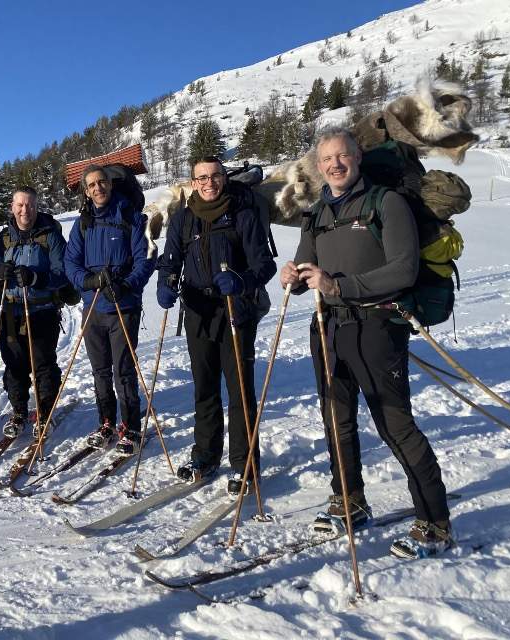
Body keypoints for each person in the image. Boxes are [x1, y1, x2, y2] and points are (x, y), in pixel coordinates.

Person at [279, 127, 453, 556]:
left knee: (395, 425)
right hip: (328, 328)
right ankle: (349, 501)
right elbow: (308, 267)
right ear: (319, 167)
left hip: (377, 327)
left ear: (357, 158)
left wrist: (338, 286)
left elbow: (404, 270)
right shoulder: (317, 212)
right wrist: (294, 277)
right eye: (327, 159)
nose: (335, 164)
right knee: (336, 420)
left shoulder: (385, 203)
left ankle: (435, 523)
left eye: (342, 156)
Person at [156, 156, 276, 494]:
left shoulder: (243, 214)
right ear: (193, 183)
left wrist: (241, 280)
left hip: (236, 311)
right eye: (202, 178)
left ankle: (244, 464)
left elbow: (264, 265)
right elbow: (170, 261)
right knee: (204, 388)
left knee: (240, 391)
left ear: (224, 178)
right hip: (198, 311)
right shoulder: (183, 219)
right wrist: (166, 283)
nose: (209, 183)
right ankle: (205, 456)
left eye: (215, 176)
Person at [64, 165, 155, 456]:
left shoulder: (131, 217)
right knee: (100, 370)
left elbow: (146, 258)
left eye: (101, 182)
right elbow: (70, 262)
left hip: (123, 307)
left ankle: (131, 427)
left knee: (123, 371)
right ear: (86, 191)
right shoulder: (83, 222)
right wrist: (88, 281)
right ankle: (106, 422)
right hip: (93, 307)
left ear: (110, 184)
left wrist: (126, 286)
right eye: (91, 185)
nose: (97, 188)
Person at [0, 186, 68, 438]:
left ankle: (44, 411)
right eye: (20, 205)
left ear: (37, 207)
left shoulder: (50, 236)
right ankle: (19, 411)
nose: (25, 210)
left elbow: (63, 273)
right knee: (14, 363)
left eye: (30, 205)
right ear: (12, 207)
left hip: (42, 310)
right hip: (11, 311)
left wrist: (35, 278)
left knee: (43, 363)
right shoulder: (3, 238)